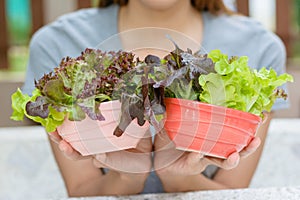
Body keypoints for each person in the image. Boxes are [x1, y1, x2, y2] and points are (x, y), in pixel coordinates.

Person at [22, 0, 288, 197]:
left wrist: (174, 172)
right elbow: (83, 191)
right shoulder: (57, 43)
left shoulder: (259, 47)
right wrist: (128, 173)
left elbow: (230, 192)